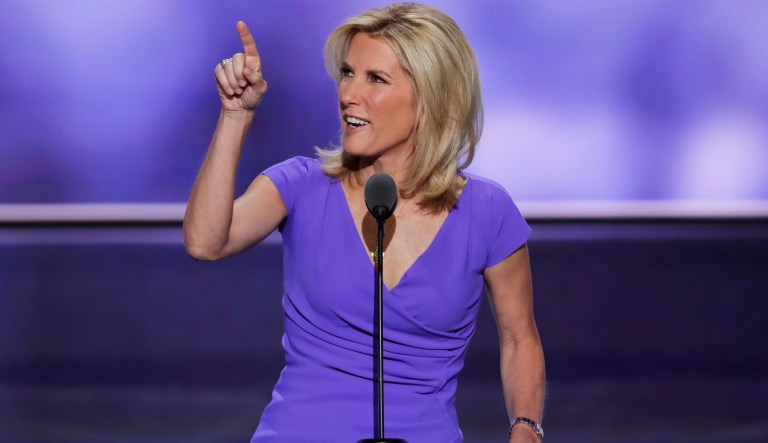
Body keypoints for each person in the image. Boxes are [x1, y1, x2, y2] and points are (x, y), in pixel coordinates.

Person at [184, 3, 545, 442]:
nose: (348, 93)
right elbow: (206, 242)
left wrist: (526, 429)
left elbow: (519, 337)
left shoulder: (487, 211)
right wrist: (235, 116)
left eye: (375, 79)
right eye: (347, 72)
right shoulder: (299, 185)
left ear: (431, 96)